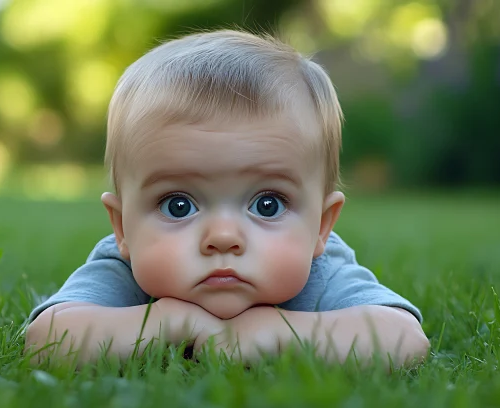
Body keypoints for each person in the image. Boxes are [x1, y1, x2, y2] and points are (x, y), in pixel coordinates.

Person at [25, 29, 429, 369]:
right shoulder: (124, 265)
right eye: (177, 205)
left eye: (267, 204)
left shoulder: (320, 269)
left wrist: (277, 331)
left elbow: (405, 339)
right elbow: (46, 340)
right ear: (122, 227)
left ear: (321, 227)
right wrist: (166, 321)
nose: (222, 237)